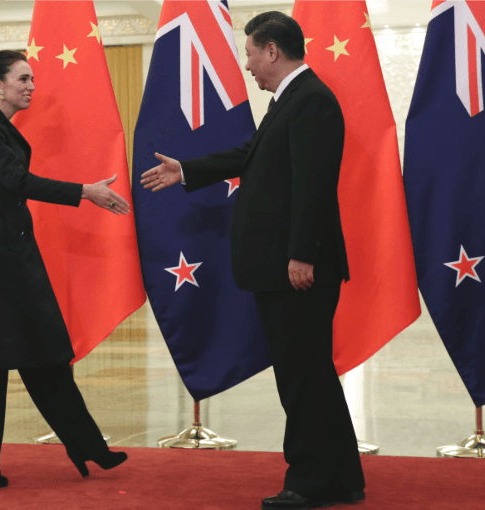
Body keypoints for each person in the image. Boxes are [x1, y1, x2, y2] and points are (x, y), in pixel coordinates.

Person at [141, 12, 365, 510]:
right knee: (312, 374)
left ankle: (308, 481)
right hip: (285, 266)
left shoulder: (310, 100)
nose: (247, 66)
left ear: (271, 51)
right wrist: (187, 169)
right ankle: (343, 477)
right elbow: (252, 154)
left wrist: (301, 254)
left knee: (300, 377)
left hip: (297, 268)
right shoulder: (292, 100)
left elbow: (312, 186)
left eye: (249, 54)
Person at [0, 50, 128, 489]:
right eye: (23, 79)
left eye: (32, 79)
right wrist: (84, 191)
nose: (32, 86)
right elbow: (17, 181)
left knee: (45, 353)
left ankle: (88, 447)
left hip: (11, 257)